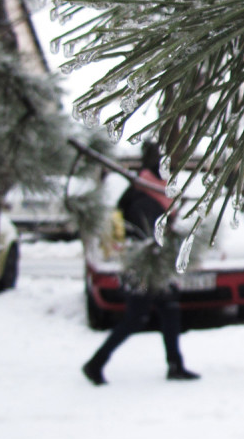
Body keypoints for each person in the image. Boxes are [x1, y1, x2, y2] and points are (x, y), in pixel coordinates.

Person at [82, 142, 200, 385]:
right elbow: (146, 236)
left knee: (169, 313)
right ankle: (96, 363)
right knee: (135, 318)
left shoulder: (153, 192)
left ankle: (175, 365)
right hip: (144, 267)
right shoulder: (143, 197)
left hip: (154, 266)